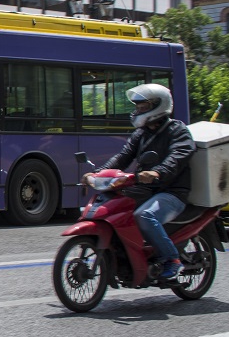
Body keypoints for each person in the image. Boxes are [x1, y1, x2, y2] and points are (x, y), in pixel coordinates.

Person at [82, 84, 195, 279]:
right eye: (138, 107)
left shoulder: (178, 131)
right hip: (145, 190)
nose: (138, 111)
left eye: (143, 107)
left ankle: (171, 259)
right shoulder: (141, 134)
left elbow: (178, 156)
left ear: (159, 106)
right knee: (113, 209)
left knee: (145, 215)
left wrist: (157, 172)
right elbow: (122, 157)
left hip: (172, 192)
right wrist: (97, 173)